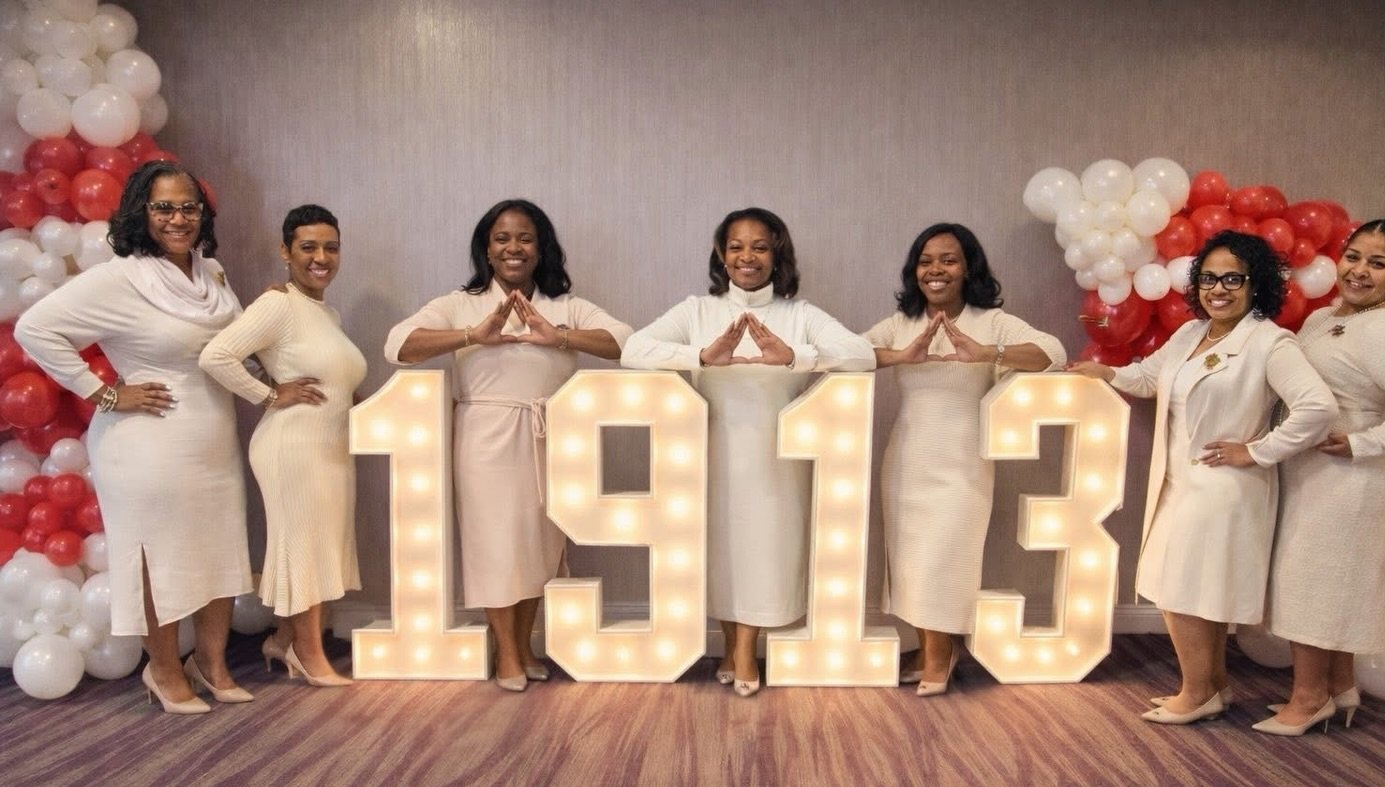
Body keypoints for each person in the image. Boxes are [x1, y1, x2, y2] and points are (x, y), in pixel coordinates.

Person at [1069, 230, 1336, 725]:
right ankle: (1212, 686)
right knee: (1193, 589)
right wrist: (1106, 374)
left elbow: (1318, 408)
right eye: (1209, 278)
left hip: (1223, 486)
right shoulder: (1192, 334)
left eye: (1233, 279)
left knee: (1183, 590)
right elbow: (1149, 378)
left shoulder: (1269, 342)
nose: (1219, 289)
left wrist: (1257, 451)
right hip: (1179, 481)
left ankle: (1195, 693)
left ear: (1256, 285)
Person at [16, 160, 253, 714]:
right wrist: (102, 393)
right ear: (139, 213)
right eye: (163, 207)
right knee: (156, 556)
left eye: (189, 207)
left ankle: (211, 663)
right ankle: (163, 669)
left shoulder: (212, 274)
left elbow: (235, 346)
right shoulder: (119, 277)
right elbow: (34, 328)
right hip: (146, 442)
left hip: (213, 437)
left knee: (220, 545)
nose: (178, 219)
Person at [621, 207, 875, 696]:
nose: (747, 257)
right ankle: (732, 645)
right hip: (712, 454)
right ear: (722, 254)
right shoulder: (697, 311)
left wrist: (795, 356)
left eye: (760, 247)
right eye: (736, 246)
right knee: (721, 553)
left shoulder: (799, 315)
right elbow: (633, 349)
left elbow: (862, 355)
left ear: (777, 254)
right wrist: (699, 356)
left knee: (763, 552)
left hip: (777, 458)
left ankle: (744, 651)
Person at [384, 199, 631, 692]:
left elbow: (627, 342)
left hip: (550, 435)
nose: (513, 248)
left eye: (524, 238)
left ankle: (524, 644)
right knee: (495, 546)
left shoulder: (563, 305)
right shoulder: (462, 302)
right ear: (486, 248)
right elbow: (397, 346)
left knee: (538, 547)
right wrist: (471, 335)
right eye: (502, 238)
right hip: (486, 438)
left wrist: (559, 337)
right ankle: (508, 653)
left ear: (541, 249)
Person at [867, 223, 1065, 697]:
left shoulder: (991, 321)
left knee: (944, 558)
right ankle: (933, 647)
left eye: (948, 259)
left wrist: (987, 353)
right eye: (925, 261)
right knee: (911, 560)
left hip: (963, 463)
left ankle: (941, 653)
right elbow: (847, 353)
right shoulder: (901, 323)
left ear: (968, 267)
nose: (935, 270)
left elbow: (1053, 353)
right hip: (906, 460)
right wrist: (900, 355)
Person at [1262, 221, 1385, 735]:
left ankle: (1308, 697)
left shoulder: (1382, 328)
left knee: (1315, 585)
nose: (1360, 271)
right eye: (1353, 256)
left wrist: (1364, 442)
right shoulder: (1324, 317)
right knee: (1326, 583)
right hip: (1313, 471)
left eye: (1377, 263)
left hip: (1350, 479)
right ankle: (1340, 687)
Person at [200, 204, 366, 687]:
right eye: (308, 247)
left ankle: (283, 639)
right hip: (292, 447)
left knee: (321, 546)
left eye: (331, 248)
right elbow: (217, 356)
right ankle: (307, 653)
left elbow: (337, 384)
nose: (321, 258)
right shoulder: (278, 304)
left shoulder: (327, 313)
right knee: (304, 547)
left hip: (330, 449)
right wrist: (270, 395)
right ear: (286, 252)